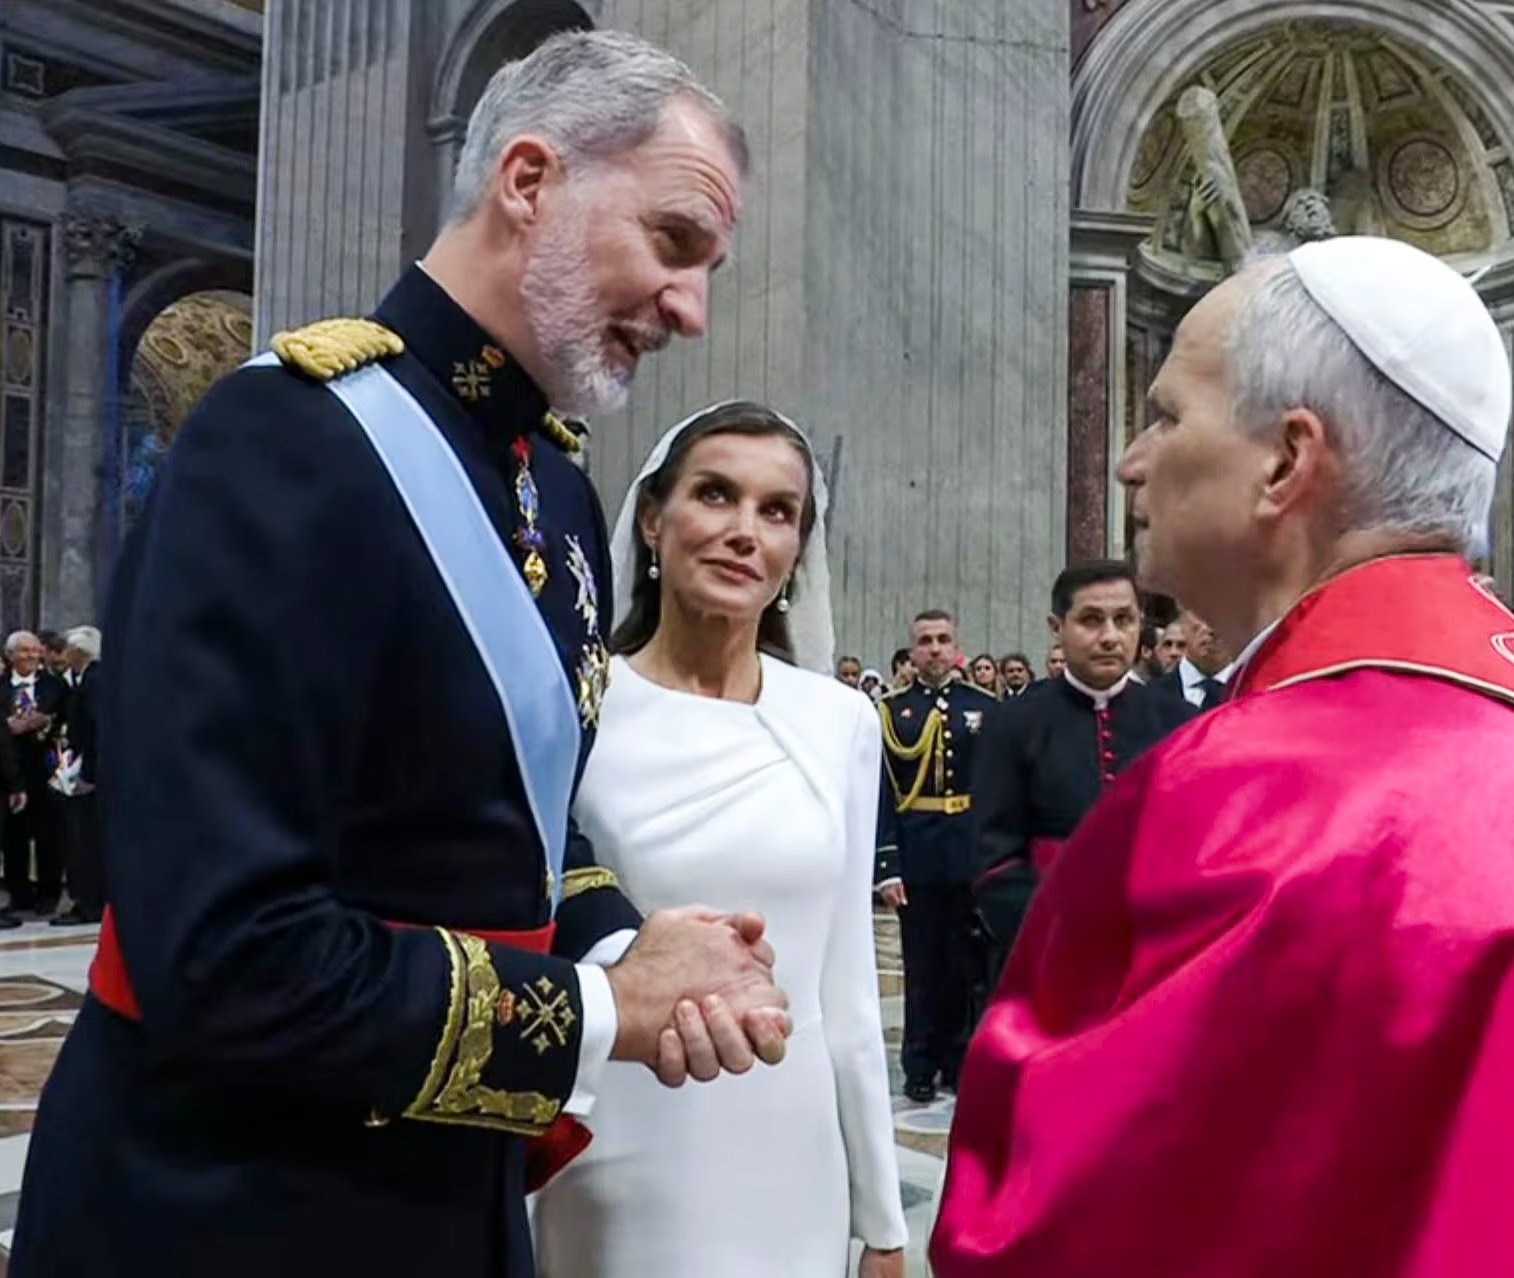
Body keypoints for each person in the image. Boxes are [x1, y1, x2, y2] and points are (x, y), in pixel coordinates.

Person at [12, 32, 796, 1278]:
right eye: (674, 244)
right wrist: (604, 1011)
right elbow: (223, 949)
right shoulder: (283, 447)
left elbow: (512, 826)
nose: (693, 309)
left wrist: (617, 940)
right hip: (230, 1207)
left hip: (451, 1203)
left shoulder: (560, 496)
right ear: (529, 180)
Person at [933, 237, 1514, 1277]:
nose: (1133, 458)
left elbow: (1054, 1215)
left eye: (1167, 414)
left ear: (1287, 461)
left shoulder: (1247, 790)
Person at [534, 402, 906, 1278]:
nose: (744, 531)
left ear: (795, 554)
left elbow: (846, 985)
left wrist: (881, 1220)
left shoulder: (840, 720)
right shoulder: (578, 711)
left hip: (791, 1149)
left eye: (776, 512)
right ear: (654, 521)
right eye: (715, 495)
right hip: (619, 1137)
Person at [971, 561, 1195, 977]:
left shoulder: (1178, 722)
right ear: (1057, 627)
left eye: (1124, 620)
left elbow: (1193, 848)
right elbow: (995, 860)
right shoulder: (1013, 724)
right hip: (1047, 955)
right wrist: (1062, 934)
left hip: (1154, 956)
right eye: (1091, 620)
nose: (1110, 637)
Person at [875, 609, 996, 1104]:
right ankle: (920, 1063)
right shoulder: (891, 711)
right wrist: (887, 866)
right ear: (913, 651)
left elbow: (996, 787)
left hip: (969, 850)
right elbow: (881, 794)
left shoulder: (984, 707)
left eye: (943, 639)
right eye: (925, 641)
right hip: (919, 851)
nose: (935, 649)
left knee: (969, 964)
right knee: (922, 964)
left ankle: (962, 1058)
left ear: (956, 646)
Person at [3, 629, 66, 921]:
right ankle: (19, 895)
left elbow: (58, 717)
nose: (31, 655)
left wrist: (26, 724)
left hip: (46, 772)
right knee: (13, 838)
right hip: (7, 772)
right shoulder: (2, 686)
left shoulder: (54, 686)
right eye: (24, 651)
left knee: (48, 836)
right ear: (11, 655)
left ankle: (48, 894)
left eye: (35, 650)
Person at [48, 626, 102, 927]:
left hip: (90, 777)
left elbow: (96, 732)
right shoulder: (88, 680)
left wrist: (88, 775)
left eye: (67, 648)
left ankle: (88, 904)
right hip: (84, 770)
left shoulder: (94, 682)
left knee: (85, 843)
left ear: (78, 652)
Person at [1152, 610, 1233, 709]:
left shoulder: (1252, 694)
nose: (1210, 629)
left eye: (1225, 616)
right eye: (1201, 614)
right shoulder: (1147, 699)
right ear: (1182, 620)